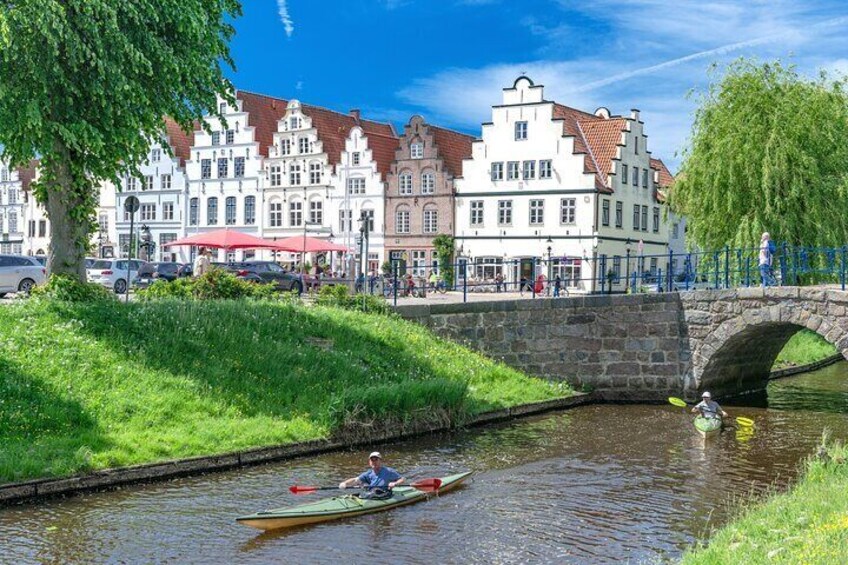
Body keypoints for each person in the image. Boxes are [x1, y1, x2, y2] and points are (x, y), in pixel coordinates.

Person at [339, 452, 405, 499]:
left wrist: (395, 483)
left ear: (380, 461)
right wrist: (345, 483)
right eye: (372, 460)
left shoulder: (389, 471)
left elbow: (402, 479)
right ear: (369, 462)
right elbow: (355, 480)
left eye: (376, 459)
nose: (374, 462)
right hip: (372, 494)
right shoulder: (368, 473)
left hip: (384, 494)